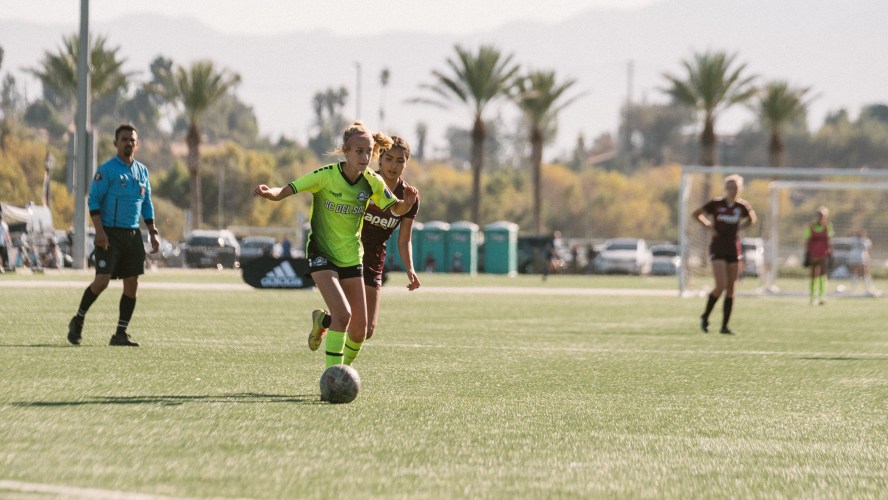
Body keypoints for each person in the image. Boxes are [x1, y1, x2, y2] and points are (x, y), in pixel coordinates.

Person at [253, 121, 418, 372]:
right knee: (343, 315)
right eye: (359, 151)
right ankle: (332, 376)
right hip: (322, 253)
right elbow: (288, 189)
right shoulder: (326, 175)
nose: (364, 157)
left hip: (356, 257)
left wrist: (405, 206)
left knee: (362, 330)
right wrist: (270, 193)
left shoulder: (373, 183)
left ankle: (339, 371)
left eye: (368, 152)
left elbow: (396, 212)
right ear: (346, 151)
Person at [310, 136, 421, 350]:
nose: (394, 165)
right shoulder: (365, 182)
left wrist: (410, 270)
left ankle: (323, 321)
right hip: (348, 252)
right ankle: (340, 371)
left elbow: (404, 240)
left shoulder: (408, 196)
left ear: (406, 163)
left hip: (374, 259)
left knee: (366, 330)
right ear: (379, 159)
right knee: (349, 318)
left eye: (400, 160)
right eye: (389, 159)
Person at [67, 124, 160, 347]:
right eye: (124, 139)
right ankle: (78, 319)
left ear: (137, 144)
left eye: (132, 140)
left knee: (132, 284)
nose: (128, 143)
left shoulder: (142, 172)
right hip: (109, 233)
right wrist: (99, 231)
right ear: (115, 143)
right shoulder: (107, 170)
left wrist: (153, 231)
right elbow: (94, 201)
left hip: (132, 234)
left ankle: (120, 333)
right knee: (102, 281)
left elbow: (146, 203)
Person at [692, 174, 757, 334]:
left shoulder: (741, 206)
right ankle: (705, 316)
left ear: (739, 189)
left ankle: (724, 326)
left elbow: (752, 219)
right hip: (718, 247)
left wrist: (741, 227)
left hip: (733, 248)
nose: (732, 190)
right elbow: (697, 214)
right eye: (729, 187)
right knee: (720, 285)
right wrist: (709, 226)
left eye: (735, 187)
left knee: (731, 288)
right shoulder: (716, 204)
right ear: (725, 188)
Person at [804, 206, 833, 305]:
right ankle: (812, 297)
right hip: (813, 253)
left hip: (823, 253)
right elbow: (807, 239)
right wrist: (807, 253)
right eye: (820, 215)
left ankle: (822, 296)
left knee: (822, 275)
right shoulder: (811, 226)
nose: (821, 217)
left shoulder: (828, 226)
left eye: (823, 215)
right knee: (813, 275)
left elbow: (829, 239)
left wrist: (830, 252)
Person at [848, 230, 875, 294]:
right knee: (864, 273)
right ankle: (868, 288)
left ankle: (854, 288)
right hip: (861, 257)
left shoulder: (854, 239)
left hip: (855, 256)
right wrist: (870, 258)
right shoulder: (866, 241)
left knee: (856, 272)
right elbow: (869, 250)